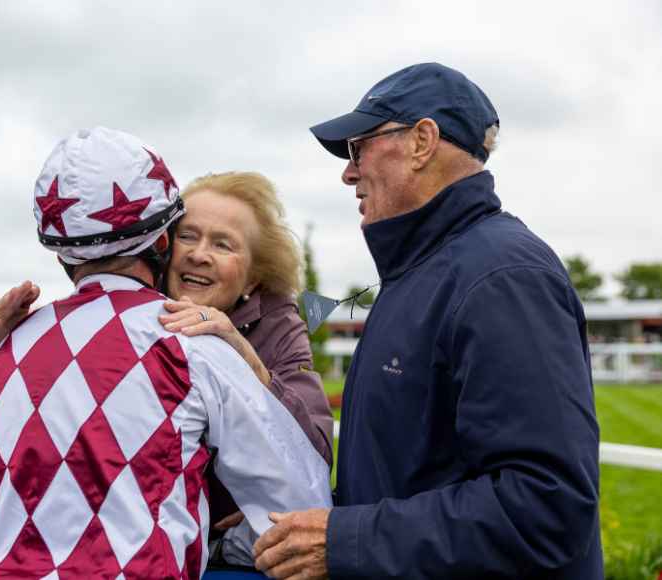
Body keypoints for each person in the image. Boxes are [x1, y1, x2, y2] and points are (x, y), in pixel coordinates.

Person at [254, 62, 603, 579]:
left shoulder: (502, 277)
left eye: (358, 148)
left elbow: (546, 507)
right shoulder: (423, 275)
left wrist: (344, 539)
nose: (348, 172)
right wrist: (301, 521)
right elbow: (407, 475)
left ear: (422, 141)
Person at [0, 127, 331, 579]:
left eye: (223, 244)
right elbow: (302, 502)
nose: (200, 256)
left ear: (61, 258)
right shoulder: (194, 345)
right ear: (164, 243)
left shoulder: (13, 348)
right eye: (189, 237)